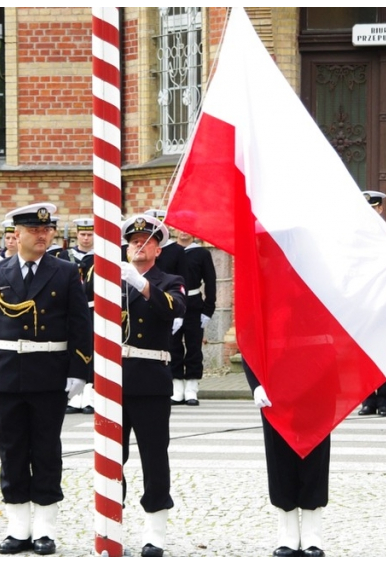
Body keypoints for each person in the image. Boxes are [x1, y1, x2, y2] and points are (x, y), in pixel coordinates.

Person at [0, 202, 91, 555]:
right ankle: (18, 528)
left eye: (47, 230)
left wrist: (79, 369)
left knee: (47, 452)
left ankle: (44, 529)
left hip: (49, 374)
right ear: (16, 235)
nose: (42, 235)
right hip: (6, 375)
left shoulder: (66, 272)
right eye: (35, 231)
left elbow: (79, 325)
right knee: (11, 452)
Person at [119, 213, 186, 557]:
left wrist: (141, 284)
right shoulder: (112, 280)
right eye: (134, 242)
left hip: (151, 379)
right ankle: (111, 522)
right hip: (115, 379)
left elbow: (174, 309)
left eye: (147, 242)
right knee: (113, 456)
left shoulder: (169, 279)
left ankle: (155, 531)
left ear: (158, 250)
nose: (139, 246)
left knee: (154, 457)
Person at [244, 359, 329, 557]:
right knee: (279, 455)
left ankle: (312, 533)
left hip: (317, 373)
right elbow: (250, 336)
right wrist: (255, 383)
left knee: (316, 454)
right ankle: (287, 532)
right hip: (274, 377)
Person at [357, 190, 386, 417]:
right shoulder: (355, 235)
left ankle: (384, 401)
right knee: (364, 353)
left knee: (384, 351)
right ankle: (367, 401)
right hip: (363, 302)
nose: (371, 213)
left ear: (380, 209)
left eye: (374, 208)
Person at [169, 229, 216, 406]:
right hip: (173, 303)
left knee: (193, 346)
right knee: (173, 345)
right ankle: (177, 385)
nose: (183, 233)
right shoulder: (170, 251)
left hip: (194, 305)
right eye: (180, 229)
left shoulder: (201, 253)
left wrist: (208, 309)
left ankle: (191, 386)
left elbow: (210, 282)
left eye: (187, 230)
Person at [66, 217, 96, 415]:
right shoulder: (65, 255)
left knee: (92, 351)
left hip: (94, 309)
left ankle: (90, 396)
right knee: (72, 349)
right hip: (71, 309)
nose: (86, 238)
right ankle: (74, 396)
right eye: (82, 234)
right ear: (77, 235)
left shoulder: (101, 256)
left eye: (90, 234)